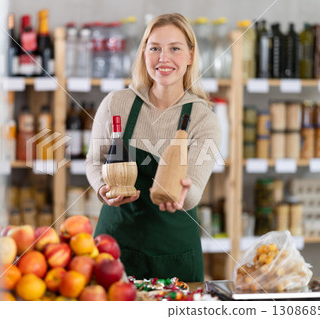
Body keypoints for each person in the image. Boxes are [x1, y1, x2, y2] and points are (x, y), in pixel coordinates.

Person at [86, 13, 221, 282]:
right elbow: (94, 161)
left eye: (175, 48)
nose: (163, 58)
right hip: (115, 247)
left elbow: (194, 187)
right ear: (144, 53)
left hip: (174, 252)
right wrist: (103, 188)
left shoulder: (203, 117)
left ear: (191, 56)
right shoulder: (117, 104)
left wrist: (183, 194)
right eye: (155, 48)